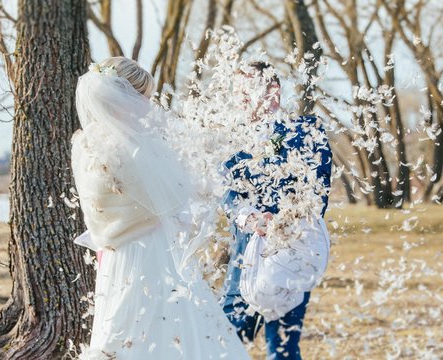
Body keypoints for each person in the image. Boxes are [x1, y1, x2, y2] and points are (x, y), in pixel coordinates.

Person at [71, 57, 250, 360]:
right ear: (124, 99)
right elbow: (177, 195)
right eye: (143, 99)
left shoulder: (86, 145)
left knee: (125, 325)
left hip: (117, 256)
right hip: (151, 252)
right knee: (165, 321)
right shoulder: (135, 148)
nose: (147, 106)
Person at [221, 61, 332, 359]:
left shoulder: (309, 132)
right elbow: (226, 191)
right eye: (237, 91)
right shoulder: (230, 138)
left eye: (247, 90)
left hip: (290, 255)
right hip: (244, 258)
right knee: (225, 342)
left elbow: (317, 195)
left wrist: (283, 220)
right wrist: (250, 218)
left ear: (274, 91)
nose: (240, 98)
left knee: (282, 348)